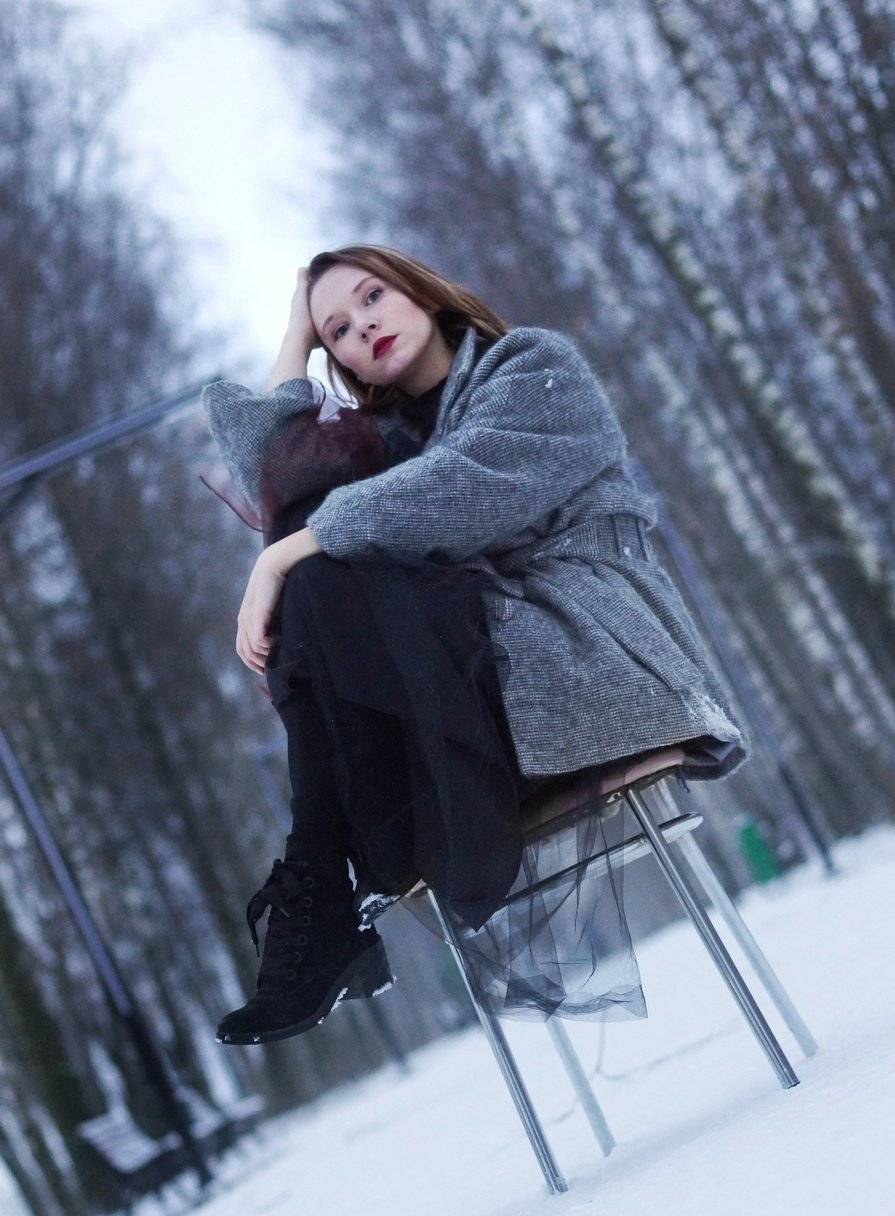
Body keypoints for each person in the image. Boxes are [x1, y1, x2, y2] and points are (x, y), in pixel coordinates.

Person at [201, 244, 748, 1045]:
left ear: (421, 291)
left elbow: (463, 488)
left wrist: (283, 557)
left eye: (373, 297)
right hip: (484, 679)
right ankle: (319, 886)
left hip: (589, 647)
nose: (363, 327)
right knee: (312, 559)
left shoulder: (532, 368)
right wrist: (294, 336)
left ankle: (321, 884)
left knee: (312, 570)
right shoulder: (381, 440)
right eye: (338, 330)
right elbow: (273, 476)